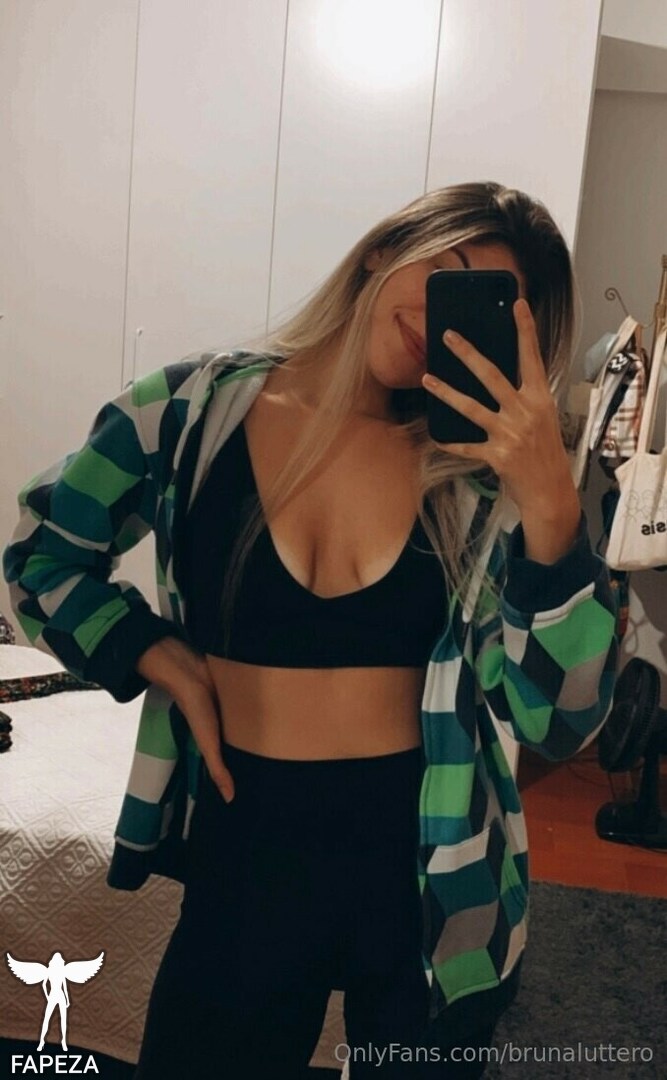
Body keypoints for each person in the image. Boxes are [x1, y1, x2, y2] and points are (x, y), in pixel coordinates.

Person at [4, 182, 617, 1078]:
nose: (438, 322)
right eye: (442, 271)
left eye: (482, 311)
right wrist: (152, 651)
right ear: (381, 249)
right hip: (244, 845)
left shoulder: (477, 475)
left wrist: (551, 505)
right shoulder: (186, 410)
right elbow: (42, 556)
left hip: (428, 867)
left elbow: (556, 722)